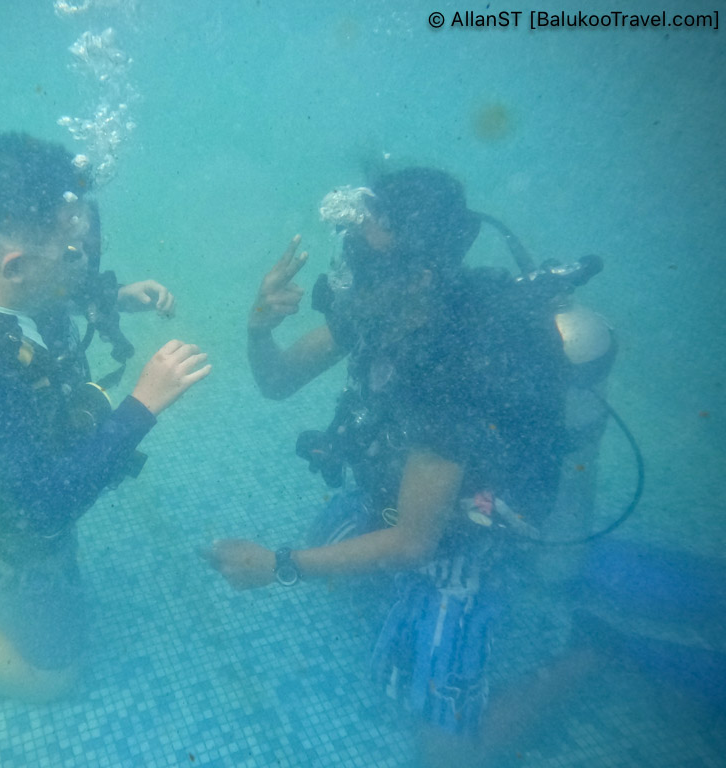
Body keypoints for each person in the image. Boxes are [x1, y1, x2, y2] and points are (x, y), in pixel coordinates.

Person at [203, 166, 600, 764]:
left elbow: (417, 542)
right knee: (332, 550)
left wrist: (279, 567)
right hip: (412, 493)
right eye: (351, 251)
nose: (346, 277)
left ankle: (592, 654)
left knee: (447, 756)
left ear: (418, 276)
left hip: (471, 524)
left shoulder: (456, 362)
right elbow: (279, 381)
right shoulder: (380, 303)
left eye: (365, 260)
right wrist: (259, 326)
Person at [0, 132, 211, 701]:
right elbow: (39, 507)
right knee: (53, 676)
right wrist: (142, 404)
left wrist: (110, 293)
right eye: (69, 255)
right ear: (17, 265)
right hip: (0, 529)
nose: (76, 263)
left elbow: (42, 283)